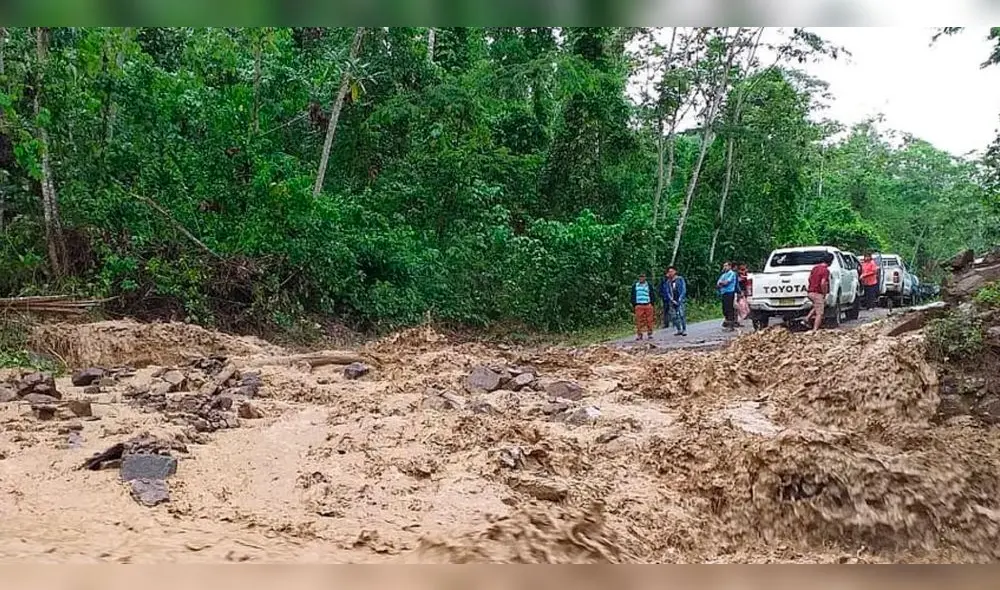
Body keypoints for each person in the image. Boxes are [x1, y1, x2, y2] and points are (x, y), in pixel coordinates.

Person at [803, 252, 833, 332]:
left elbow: (809, 278)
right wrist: (824, 293)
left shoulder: (815, 268)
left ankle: (807, 319)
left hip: (810, 292)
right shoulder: (825, 271)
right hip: (817, 293)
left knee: (818, 305)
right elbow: (823, 283)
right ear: (830, 262)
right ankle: (815, 330)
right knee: (820, 313)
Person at [663, 266, 687, 336]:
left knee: (681, 314)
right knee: (674, 316)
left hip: (680, 299)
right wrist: (671, 299)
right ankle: (679, 329)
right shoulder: (668, 282)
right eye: (669, 272)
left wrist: (680, 298)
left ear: (675, 272)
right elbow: (667, 291)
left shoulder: (680, 279)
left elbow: (683, 289)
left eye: (672, 271)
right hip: (672, 300)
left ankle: (684, 329)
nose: (670, 273)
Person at [630, 273, 655, 341]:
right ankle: (639, 334)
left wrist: (652, 303)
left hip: (647, 304)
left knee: (649, 320)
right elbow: (632, 295)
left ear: (645, 278)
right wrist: (634, 304)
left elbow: (652, 294)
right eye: (640, 277)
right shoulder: (635, 286)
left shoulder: (648, 285)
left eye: (643, 277)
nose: (641, 278)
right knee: (639, 320)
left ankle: (650, 333)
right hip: (639, 305)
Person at [716, 261, 739, 331]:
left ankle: (731, 325)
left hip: (730, 292)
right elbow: (717, 284)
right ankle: (727, 323)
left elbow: (726, 282)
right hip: (723, 293)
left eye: (726, 266)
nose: (724, 267)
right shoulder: (723, 275)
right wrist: (721, 284)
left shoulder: (732, 273)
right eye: (724, 266)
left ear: (729, 266)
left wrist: (721, 283)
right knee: (725, 309)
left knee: (729, 309)